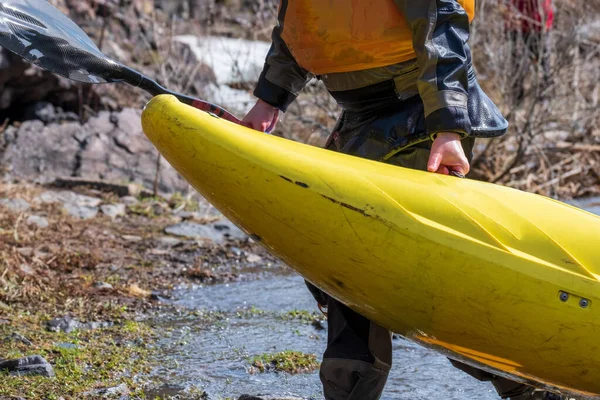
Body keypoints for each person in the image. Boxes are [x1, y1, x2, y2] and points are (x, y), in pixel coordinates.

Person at [243, 1, 564, 399]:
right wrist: (269, 100)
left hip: (422, 116)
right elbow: (301, 26)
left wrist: (447, 127)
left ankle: (525, 387)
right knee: (347, 259)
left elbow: (440, 24)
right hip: (362, 121)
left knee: (403, 267)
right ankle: (520, 388)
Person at [504, 0, 554, 100]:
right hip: (517, 24)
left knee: (544, 65)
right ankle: (516, 102)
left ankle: (545, 101)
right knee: (517, 67)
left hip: (540, 23)